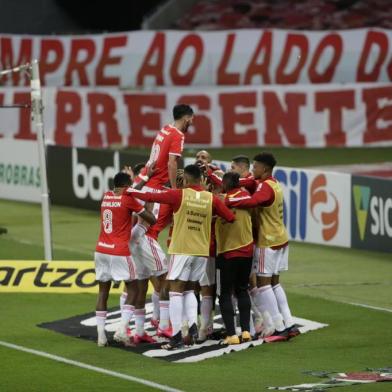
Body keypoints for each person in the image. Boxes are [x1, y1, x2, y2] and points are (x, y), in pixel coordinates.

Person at [126, 164, 235, 350]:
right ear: (201, 179)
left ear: (185, 179)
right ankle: (192, 325)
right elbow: (230, 217)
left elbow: (152, 196)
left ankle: (176, 335)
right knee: (190, 290)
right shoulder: (211, 198)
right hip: (201, 251)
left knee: (175, 290)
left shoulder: (179, 194)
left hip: (182, 249)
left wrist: (129, 190)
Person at [226, 152, 299, 343]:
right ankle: (289, 324)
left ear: (265, 169)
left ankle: (280, 328)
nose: (252, 170)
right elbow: (247, 183)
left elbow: (252, 201)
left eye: (256, 167)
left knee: (263, 284)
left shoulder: (265, 188)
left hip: (269, 240)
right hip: (280, 237)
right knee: (274, 283)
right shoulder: (270, 183)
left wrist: (226, 201)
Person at [94, 172, 156, 347]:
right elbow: (151, 219)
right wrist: (149, 206)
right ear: (125, 187)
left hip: (100, 250)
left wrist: (136, 181)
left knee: (102, 292)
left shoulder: (106, 196)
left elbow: (125, 193)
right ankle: (122, 329)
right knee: (134, 289)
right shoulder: (128, 200)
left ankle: (101, 337)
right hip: (119, 251)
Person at [215, 172, 254, 345]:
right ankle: (246, 331)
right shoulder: (245, 195)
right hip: (247, 250)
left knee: (225, 293)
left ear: (224, 184)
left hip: (229, 252)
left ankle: (231, 334)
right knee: (242, 290)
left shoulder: (219, 200)